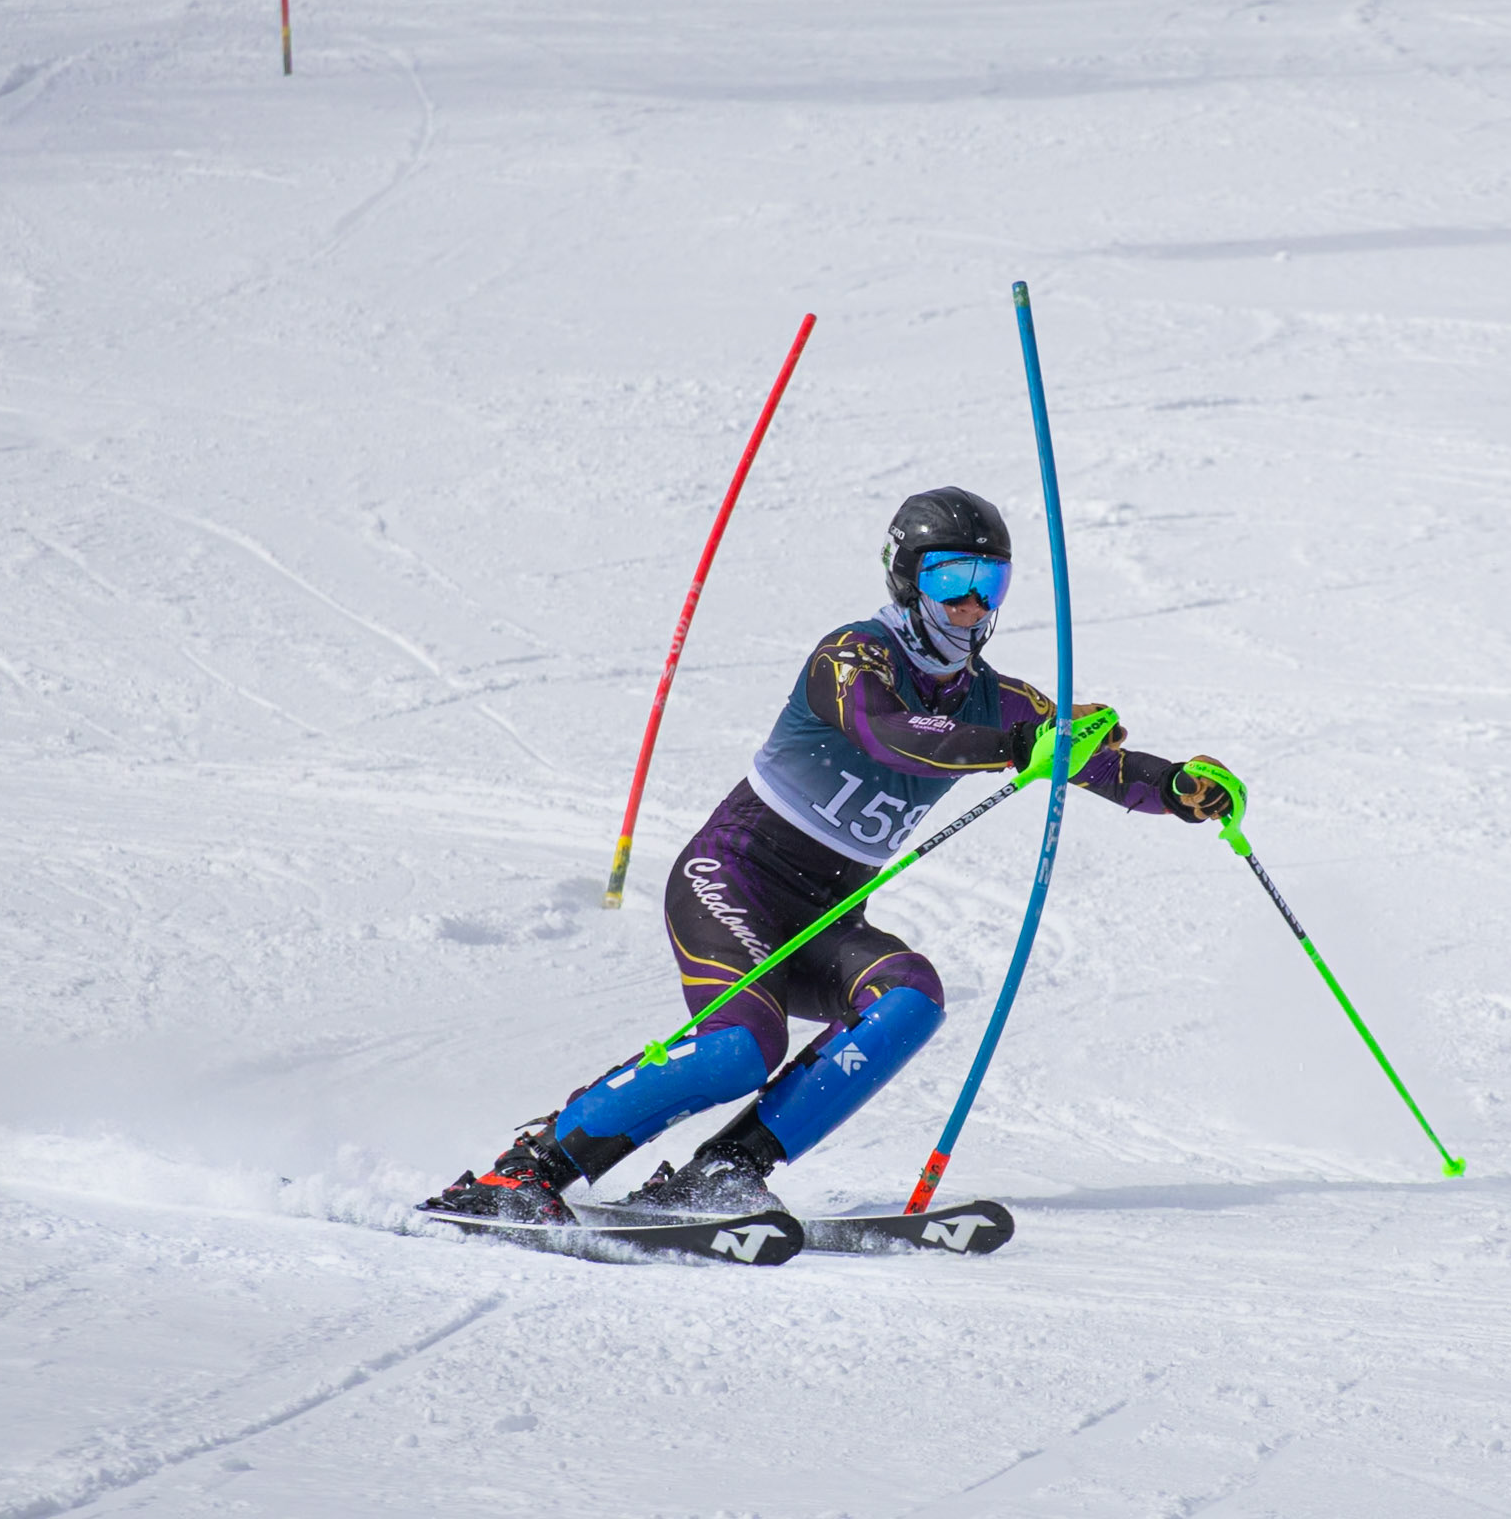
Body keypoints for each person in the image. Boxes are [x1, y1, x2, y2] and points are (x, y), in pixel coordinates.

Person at [426, 488, 1231, 1224]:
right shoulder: (851, 656)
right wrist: (1023, 746)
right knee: (741, 1048)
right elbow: (894, 735)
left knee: (910, 996)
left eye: (992, 581)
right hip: (731, 879)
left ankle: (724, 1171)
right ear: (908, 579)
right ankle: (526, 1169)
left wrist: (1179, 787)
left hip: (827, 913)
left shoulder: (1004, 700)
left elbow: (1092, 759)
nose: (973, 604)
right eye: (953, 578)